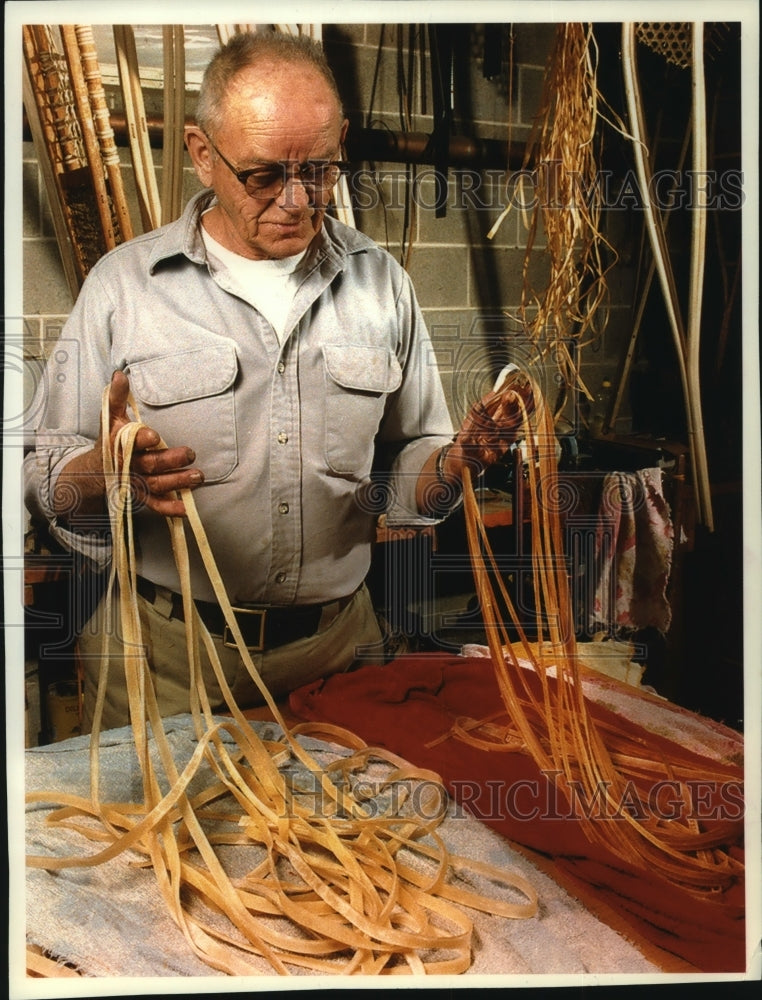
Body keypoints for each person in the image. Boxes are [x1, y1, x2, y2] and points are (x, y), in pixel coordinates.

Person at [25, 31, 529, 731]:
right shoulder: (124, 287)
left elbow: (413, 459)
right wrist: (107, 472)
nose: (296, 200)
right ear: (203, 154)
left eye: (319, 170)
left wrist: (456, 462)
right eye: (263, 175)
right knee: (162, 840)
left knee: (347, 840)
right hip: (170, 660)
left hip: (339, 654)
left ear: (341, 141)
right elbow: (45, 475)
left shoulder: (383, 284)